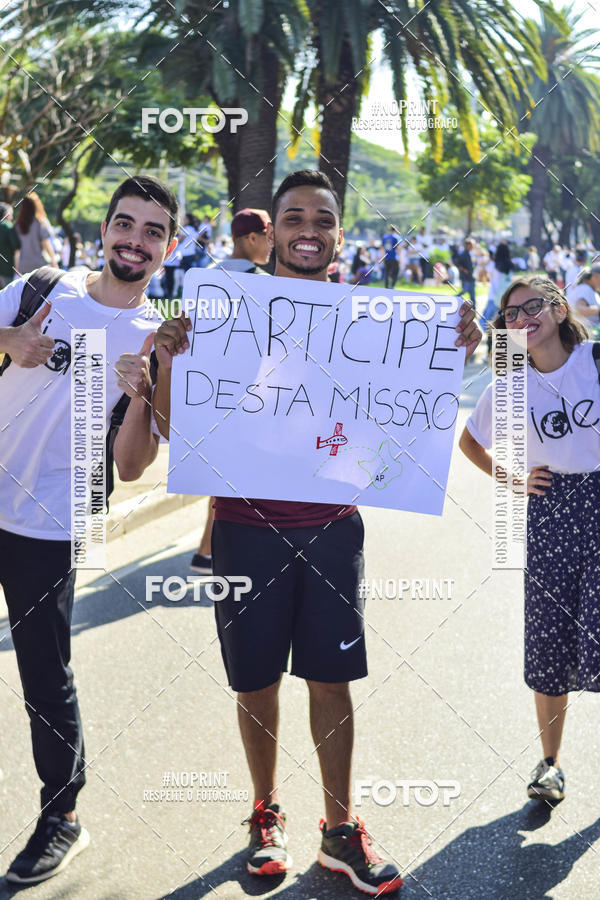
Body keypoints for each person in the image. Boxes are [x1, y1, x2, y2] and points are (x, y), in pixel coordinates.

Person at [153, 169, 481, 896]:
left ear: (338, 234)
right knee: (256, 682)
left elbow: (404, 419)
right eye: (294, 216)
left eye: (323, 218)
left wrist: (456, 343)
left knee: (332, 681)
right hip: (244, 529)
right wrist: (169, 363)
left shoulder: (376, 320)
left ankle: (340, 831)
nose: (309, 229)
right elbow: (175, 430)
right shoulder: (222, 313)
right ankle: (265, 815)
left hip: (332, 530)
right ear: (271, 230)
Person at [0, 175, 178, 884]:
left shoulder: (157, 341)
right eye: (125, 224)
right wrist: (11, 340)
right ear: (104, 231)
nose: (135, 240)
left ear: (168, 249)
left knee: (45, 675)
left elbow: (132, 466)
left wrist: (142, 392)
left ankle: (62, 816)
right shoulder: (41, 289)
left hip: (50, 523)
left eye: (152, 231)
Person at [459, 274, 596, 805]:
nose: (522, 318)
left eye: (532, 306)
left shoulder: (594, 361)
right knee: (549, 640)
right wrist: (515, 480)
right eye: (511, 313)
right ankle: (551, 764)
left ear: (560, 309)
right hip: (551, 514)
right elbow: (470, 443)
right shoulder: (510, 386)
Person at [189, 207, 272, 574]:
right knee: (233, 477)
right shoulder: (262, 283)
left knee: (224, 473)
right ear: (250, 238)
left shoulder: (205, 277)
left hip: (206, 391)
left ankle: (207, 549)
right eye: (267, 236)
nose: (271, 244)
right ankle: (209, 550)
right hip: (245, 394)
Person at [14, 192, 58, 272]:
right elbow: (46, 244)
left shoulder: (17, 225)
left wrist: (17, 267)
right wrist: (54, 262)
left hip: (23, 265)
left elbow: (16, 250)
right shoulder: (40, 223)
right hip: (40, 265)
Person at [566, 264, 600, 331]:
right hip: (584, 332)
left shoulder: (589, 289)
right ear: (595, 277)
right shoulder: (585, 288)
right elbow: (580, 309)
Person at [0, 202, 20, 288]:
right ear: (5, 214)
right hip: (7, 271)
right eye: (11, 214)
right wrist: (17, 270)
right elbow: (17, 250)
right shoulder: (8, 226)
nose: (12, 217)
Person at [455, 237, 476, 310]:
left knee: (472, 296)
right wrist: (464, 270)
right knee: (464, 292)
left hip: (471, 278)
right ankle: (454, 299)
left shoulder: (470, 254)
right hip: (466, 278)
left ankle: (474, 311)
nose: (472, 246)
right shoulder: (464, 254)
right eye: (471, 245)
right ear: (467, 245)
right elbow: (458, 263)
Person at [381, 224, 400, 290]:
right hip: (393, 257)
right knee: (395, 271)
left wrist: (383, 257)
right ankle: (392, 285)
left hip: (386, 257)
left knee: (387, 272)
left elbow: (382, 248)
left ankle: (386, 286)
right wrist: (400, 258)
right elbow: (398, 248)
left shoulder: (384, 237)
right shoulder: (395, 237)